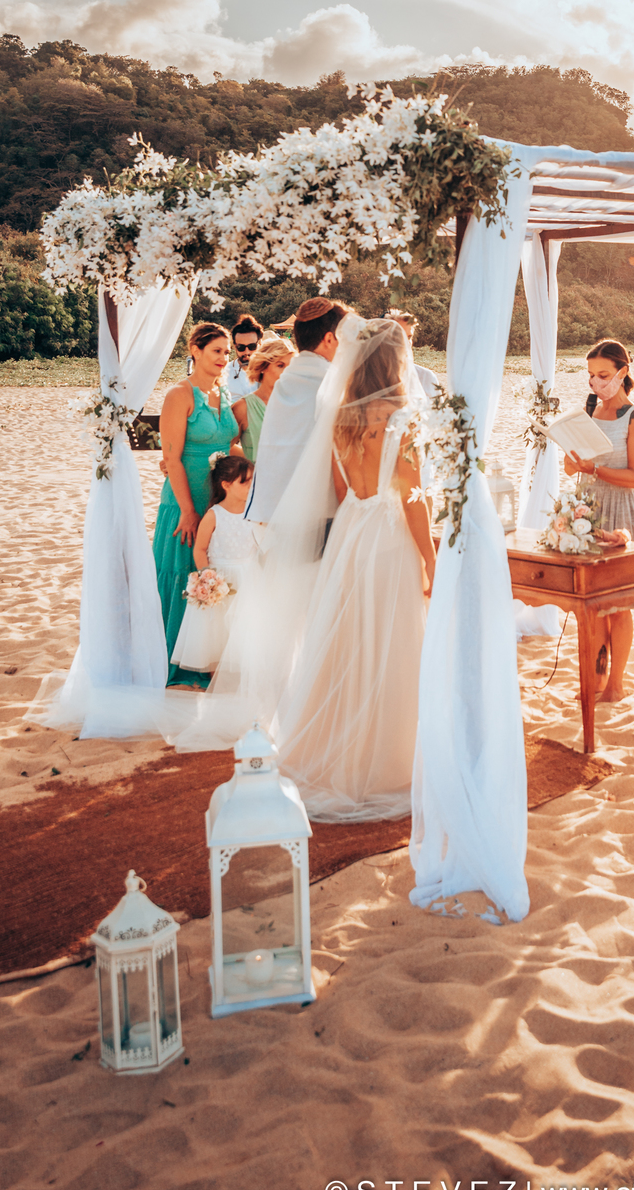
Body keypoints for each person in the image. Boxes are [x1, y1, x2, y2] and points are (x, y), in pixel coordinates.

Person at [274, 319, 434, 821]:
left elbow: (342, 489)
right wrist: (431, 558)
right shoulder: (403, 417)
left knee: (348, 639)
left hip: (351, 531)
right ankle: (386, 765)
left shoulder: (340, 415)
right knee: (392, 640)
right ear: (396, 362)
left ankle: (334, 749)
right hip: (388, 535)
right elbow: (411, 499)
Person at [152, 323, 247, 687]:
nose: (225, 358)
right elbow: (172, 459)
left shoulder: (222, 393)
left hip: (216, 506)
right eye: (217, 351)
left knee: (215, 578)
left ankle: (206, 657)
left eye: (227, 352)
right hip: (184, 503)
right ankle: (174, 660)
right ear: (195, 350)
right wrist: (188, 510)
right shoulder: (180, 395)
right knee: (181, 576)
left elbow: (232, 445)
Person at [563, 339, 634, 704]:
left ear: (622, 372)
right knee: (593, 606)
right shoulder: (587, 414)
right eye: (590, 375)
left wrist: (596, 469)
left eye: (603, 375)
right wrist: (572, 461)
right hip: (588, 510)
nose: (595, 383)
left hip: (620, 512)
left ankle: (616, 685)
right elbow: (573, 467)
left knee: (618, 606)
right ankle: (596, 681)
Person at [246, 298, 348, 524]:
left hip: (274, 504)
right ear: (329, 339)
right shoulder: (331, 382)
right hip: (321, 509)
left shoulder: (288, 379)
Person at [170, 455, 258, 675]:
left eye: (252, 480)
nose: (251, 486)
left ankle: (242, 670)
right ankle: (216, 673)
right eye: (244, 481)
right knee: (216, 628)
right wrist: (208, 577)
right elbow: (200, 549)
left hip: (248, 576)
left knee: (245, 625)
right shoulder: (214, 515)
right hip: (221, 578)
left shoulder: (254, 512)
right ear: (226, 485)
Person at [240, 339, 294, 462]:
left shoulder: (297, 404)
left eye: (291, 367)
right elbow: (224, 447)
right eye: (280, 365)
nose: (287, 372)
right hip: (259, 479)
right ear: (263, 367)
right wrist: (247, 466)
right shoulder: (244, 407)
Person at [387, 309, 439, 397]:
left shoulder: (427, 377)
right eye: (399, 335)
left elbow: (439, 410)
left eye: (409, 337)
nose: (406, 342)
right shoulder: (373, 379)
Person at [226, 316, 265, 400]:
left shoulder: (268, 372)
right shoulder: (225, 373)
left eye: (252, 346)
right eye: (241, 347)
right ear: (235, 346)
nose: (247, 352)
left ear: (260, 344)